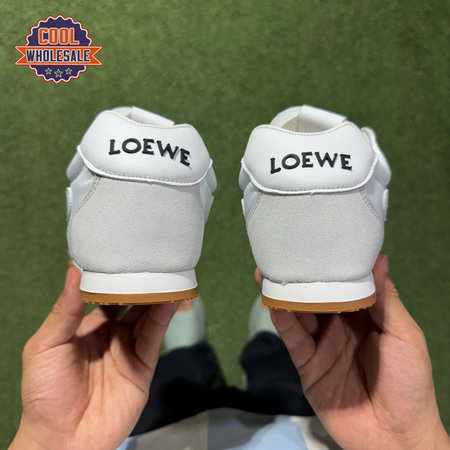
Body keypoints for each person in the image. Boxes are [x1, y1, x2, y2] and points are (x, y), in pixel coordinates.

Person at [9, 255, 449, 449]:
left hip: (151, 437)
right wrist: (410, 444)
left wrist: (51, 446)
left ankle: (191, 353)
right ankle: (265, 343)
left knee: (174, 376)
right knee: (281, 364)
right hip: (301, 431)